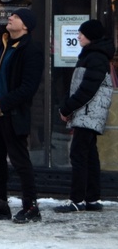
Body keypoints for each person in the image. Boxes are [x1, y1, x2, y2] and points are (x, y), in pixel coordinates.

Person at [0, 8, 44, 223]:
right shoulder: (1, 43)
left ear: (25, 25)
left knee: (20, 160)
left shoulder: (31, 50)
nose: (10, 18)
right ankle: (0, 203)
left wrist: (3, 102)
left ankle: (31, 206)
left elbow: (28, 87)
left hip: (12, 114)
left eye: (16, 16)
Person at [54, 19, 114, 213]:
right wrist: (67, 106)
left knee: (79, 154)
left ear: (92, 36)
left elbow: (87, 89)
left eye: (82, 33)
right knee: (89, 155)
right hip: (86, 113)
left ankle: (77, 199)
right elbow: (77, 87)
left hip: (88, 113)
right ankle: (91, 199)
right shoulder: (92, 55)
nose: (78, 36)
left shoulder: (95, 57)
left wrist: (67, 108)